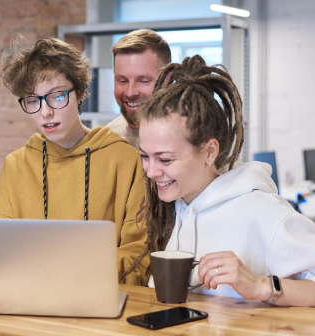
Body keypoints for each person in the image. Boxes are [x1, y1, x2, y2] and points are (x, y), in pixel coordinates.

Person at [125, 54, 315, 306]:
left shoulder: (263, 212)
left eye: (165, 159)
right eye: (145, 157)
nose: (151, 172)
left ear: (209, 152)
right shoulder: (176, 207)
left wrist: (260, 285)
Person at [0, 38, 148, 285]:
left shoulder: (125, 160)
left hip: (98, 296)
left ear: (80, 92)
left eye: (57, 97)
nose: (45, 112)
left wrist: (76, 272)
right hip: (28, 297)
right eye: (33, 100)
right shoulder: (16, 165)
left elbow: (139, 251)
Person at [106, 29, 171, 149]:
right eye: (123, 81)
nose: (130, 93)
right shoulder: (107, 140)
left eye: (143, 81)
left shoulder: (195, 137)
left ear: (168, 79)